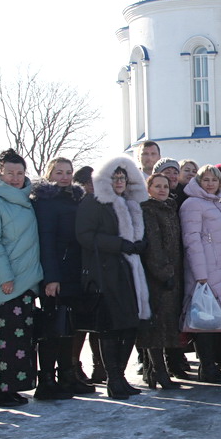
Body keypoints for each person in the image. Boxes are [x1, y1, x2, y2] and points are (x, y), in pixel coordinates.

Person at [77, 155, 151, 398]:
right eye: (115, 177)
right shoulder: (94, 202)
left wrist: (140, 245)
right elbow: (85, 236)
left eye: (123, 177)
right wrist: (118, 244)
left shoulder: (131, 203)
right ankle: (113, 379)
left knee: (131, 325)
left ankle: (120, 375)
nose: (120, 182)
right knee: (112, 327)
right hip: (107, 272)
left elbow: (140, 234)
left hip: (130, 271)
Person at [0, 149, 44, 407]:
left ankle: (14, 386)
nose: (16, 178)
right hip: (5, 283)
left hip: (27, 283)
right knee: (4, 339)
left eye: (20, 173)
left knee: (22, 339)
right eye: (10, 173)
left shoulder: (27, 201)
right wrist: (5, 276)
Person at [30, 157, 95, 399]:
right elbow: (46, 242)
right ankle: (46, 379)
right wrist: (51, 278)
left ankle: (67, 375)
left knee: (70, 327)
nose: (65, 177)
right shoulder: (45, 202)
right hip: (55, 274)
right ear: (50, 174)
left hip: (74, 272)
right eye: (59, 172)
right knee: (52, 328)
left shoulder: (75, 199)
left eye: (68, 172)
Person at [180, 164, 221, 382]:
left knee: (215, 319)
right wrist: (200, 273)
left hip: (220, 270)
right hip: (204, 271)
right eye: (206, 180)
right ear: (199, 182)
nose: (211, 184)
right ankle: (206, 367)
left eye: (215, 180)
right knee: (204, 320)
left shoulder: (216, 204)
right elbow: (192, 241)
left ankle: (212, 363)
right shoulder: (193, 204)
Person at [139, 171, 185, 388]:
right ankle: (159, 371)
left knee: (166, 323)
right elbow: (154, 245)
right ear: (149, 189)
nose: (162, 190)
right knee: (156, 325)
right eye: (157, 186)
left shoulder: (169, 208)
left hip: (173, 272)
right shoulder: (148, 210)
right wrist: (164, 272)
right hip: (157, 276)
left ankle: (152, 371)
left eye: (165, 186)